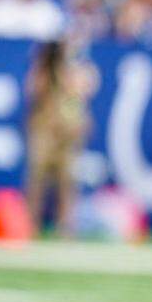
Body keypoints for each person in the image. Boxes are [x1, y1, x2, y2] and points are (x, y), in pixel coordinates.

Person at [25, 40, 96, 235]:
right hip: (45, 131)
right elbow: (33, 91)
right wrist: (46, 65)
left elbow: (84, 92)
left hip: (68, 133)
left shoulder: (76, 71)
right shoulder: (43, 71)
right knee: (37, 181)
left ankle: (66, 228)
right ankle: (31, 225)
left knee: (67, 183)